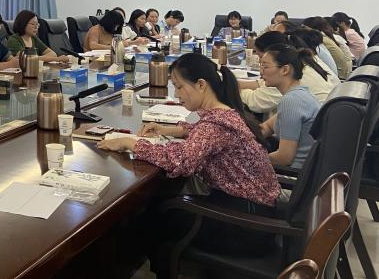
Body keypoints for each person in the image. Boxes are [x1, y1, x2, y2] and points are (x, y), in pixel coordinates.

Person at [97, 53, 279, 260]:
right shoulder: (225, 113)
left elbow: (182, 162)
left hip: (246, 226)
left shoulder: (215, 125)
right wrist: (172, 130)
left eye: (179, 86)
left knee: (150, 216)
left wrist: (131, 143)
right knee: (158, 208)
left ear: (201, 85)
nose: (176, 94)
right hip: (252, 211)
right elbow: (205, 136)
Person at [236, 31, 336, 113]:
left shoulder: (288, 78)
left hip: (318, 124)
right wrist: (234, 82)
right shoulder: (298, 60)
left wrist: (232, 90)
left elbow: (256, 103)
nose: (259, 63)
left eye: (263, 62)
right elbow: (261, 83)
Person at [258, 44, 319, 168]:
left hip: (292, 173)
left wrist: (247, 160)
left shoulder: (291, 101)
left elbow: (284, 157)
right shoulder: (300, 94)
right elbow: (267, 127)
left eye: (265, 66)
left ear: (285, 70)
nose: (261, 72)